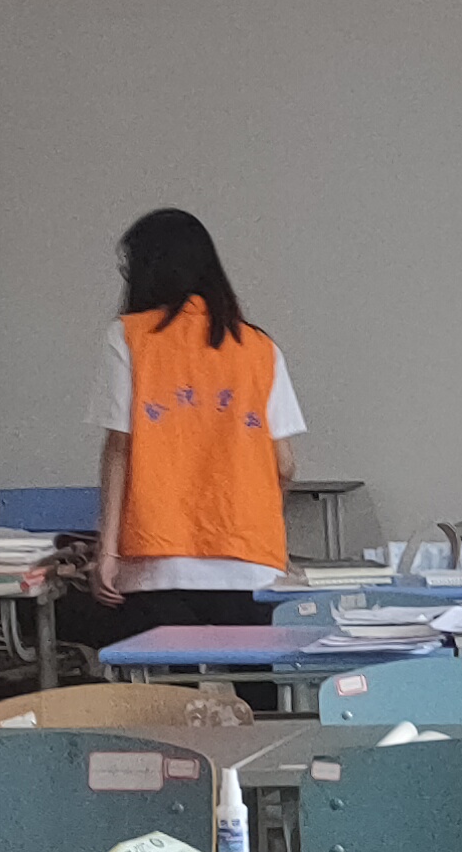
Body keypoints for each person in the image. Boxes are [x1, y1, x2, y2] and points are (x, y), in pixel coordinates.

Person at [81, 208, 303, 649]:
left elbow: (120, 449)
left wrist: (107, 552)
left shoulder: (129, 337)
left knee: (166, 686)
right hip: (248, 556)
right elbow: (285, 465)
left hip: (157, 557)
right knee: (254, 684)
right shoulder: (260, 348)